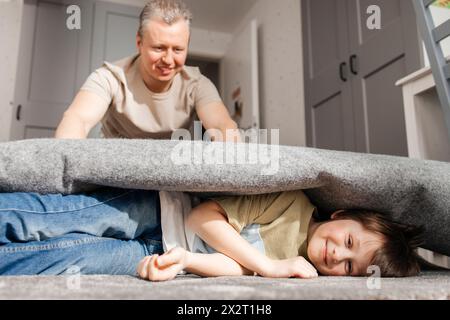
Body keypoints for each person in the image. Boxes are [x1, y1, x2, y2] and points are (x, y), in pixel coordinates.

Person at [0, 188, 424, 278]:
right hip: (155, 210)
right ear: (341, 214)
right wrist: (269, 266)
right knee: (49, 219)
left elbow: (230, 267)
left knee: (69, 257)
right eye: (348, 242)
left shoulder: (300, 274)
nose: (337, 255)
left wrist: (186, 260)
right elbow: (201, 218)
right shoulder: (293, 205)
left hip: (164, 252)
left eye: (350, 268)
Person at [55, 0, 238, 141]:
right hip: (114, 178)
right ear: (139, 43)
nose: (167, 60)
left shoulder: (198, 84)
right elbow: (77, 119)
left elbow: (222, 125)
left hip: (170, 177)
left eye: (178, 50)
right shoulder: (109, 77)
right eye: (159, 48)